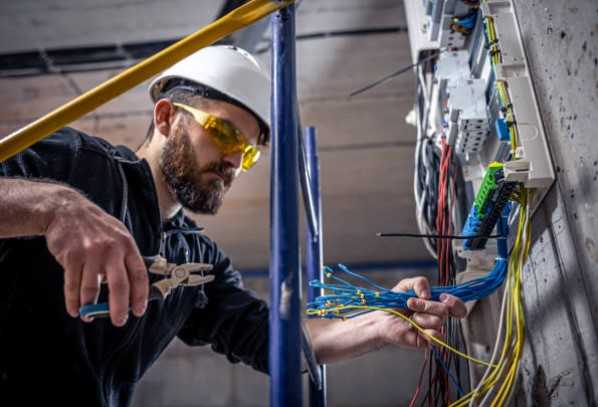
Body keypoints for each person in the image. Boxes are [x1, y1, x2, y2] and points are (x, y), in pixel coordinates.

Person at [0, 45, 466, 406]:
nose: (233, 162)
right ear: (165, 118)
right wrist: (53, 205)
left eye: (247, 153)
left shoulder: (197, 261)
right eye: (224, 133)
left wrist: (381, 324)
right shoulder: (77, 165)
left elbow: (271, 340)